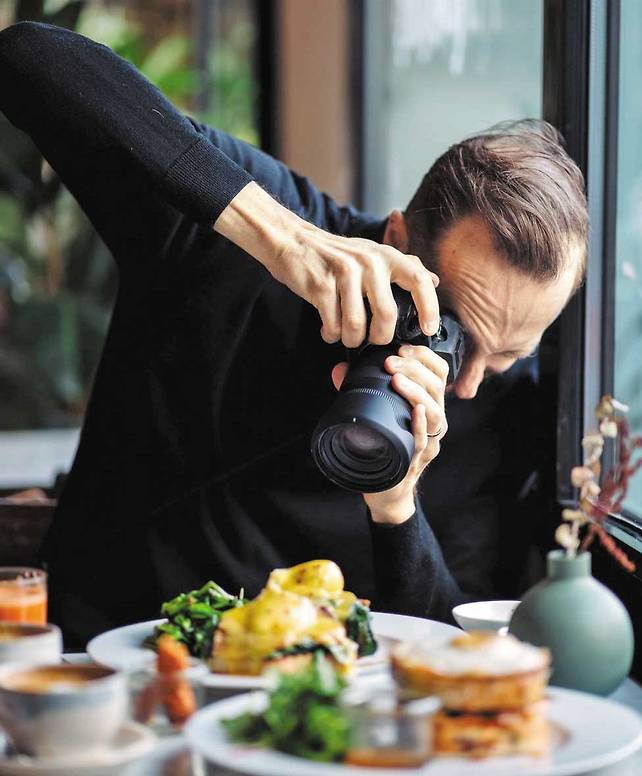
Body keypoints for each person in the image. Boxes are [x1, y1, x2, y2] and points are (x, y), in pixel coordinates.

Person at [0, 22, 587, 647]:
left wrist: (398, 509)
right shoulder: (273, 235)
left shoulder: (509, 407)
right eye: (457, 335)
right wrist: (282, 239)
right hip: (104, 666)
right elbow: (27, 58)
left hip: (309, 712)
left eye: (508, 355)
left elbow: (447, 645)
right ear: (392, 243)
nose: (468, 386)